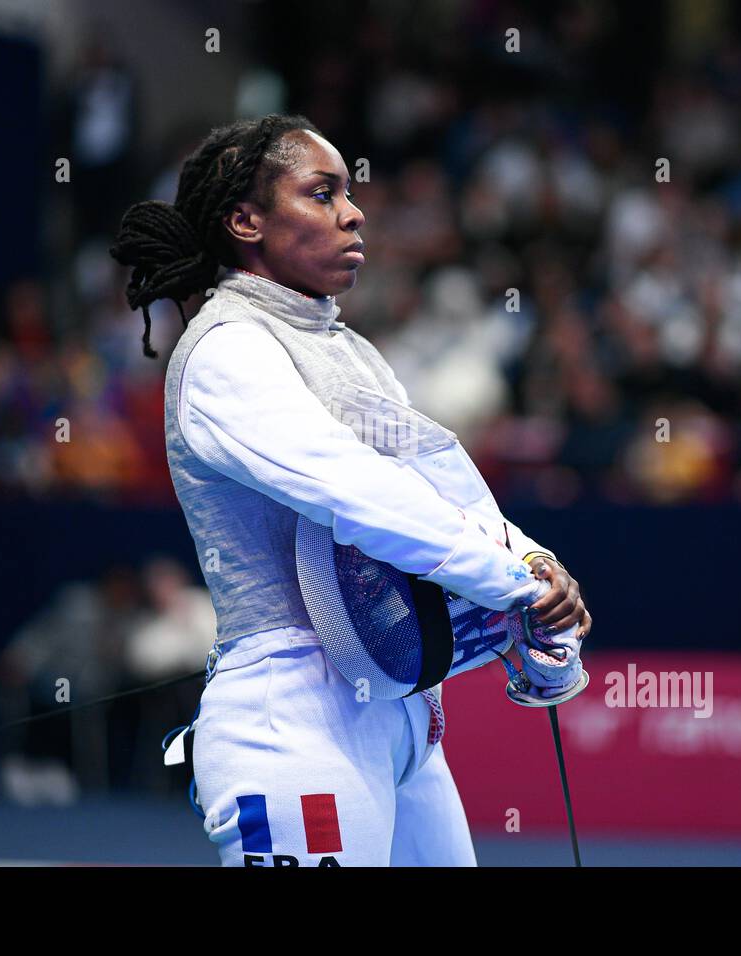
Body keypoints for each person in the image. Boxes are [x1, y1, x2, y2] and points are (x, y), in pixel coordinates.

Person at [110, 114, 590, 866]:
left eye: (350, 192)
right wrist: (506, 585)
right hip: (295, 719)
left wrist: (535, 567)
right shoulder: (225, 350)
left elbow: (437, 483)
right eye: (322, 192)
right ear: (246, 220)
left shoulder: (350, 352)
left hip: (402, 721)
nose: (354, 210)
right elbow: (354, 490)